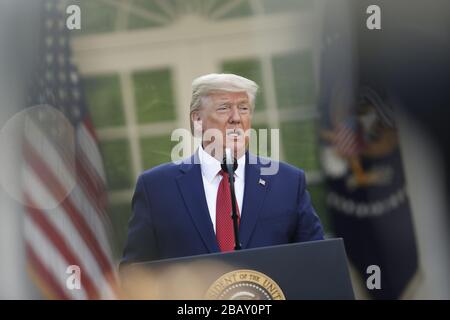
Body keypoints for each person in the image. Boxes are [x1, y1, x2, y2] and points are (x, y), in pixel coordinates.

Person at [121, 73, 324, 264]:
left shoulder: (288, 182)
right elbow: (136, 274)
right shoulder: (156, 188)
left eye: (243, 108)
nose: (236, 117)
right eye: (224, 108)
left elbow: (317, 260)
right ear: (197, 120)